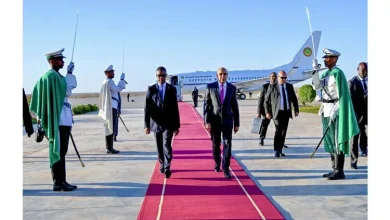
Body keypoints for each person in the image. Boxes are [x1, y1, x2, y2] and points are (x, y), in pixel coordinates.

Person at [29, 48, 77, 191]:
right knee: (58, 150)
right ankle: (58, 182)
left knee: (61, 152)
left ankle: (62, 181)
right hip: (59, 120)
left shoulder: (54, 76)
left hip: (63, 119)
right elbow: (68, 91)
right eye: (60, 59)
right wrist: (69, 74)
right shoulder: (51, 77)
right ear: (51, 61)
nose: (62, 61)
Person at [313, 48, 359, 180]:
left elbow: (343, 96)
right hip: (326, 109)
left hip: (335, 110)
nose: (325, 60)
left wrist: (336, 110)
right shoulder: (326, 74)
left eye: (327, 58)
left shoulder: (338, 73)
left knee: (337, 140)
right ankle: (334, 168)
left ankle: (340, 170)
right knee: (330, 140)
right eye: (324, 58)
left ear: (334, 59)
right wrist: (315, 71)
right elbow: (317, 86)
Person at [144, 66, 180, 178]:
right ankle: (162, 163)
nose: (161, 77)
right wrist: (146, 125)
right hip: (156, 123)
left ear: (166, 76)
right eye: (159, 75)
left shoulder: (172, 89)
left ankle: (167, 167)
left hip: (168, 123)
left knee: (167, 145)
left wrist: (176, 125)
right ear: (156, 76)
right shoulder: (151, 89)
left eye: (163, 75)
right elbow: (147, 108)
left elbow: (175, 108)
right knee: (159, 147)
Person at [204, 67, 240, 179]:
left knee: (227, 145)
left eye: (225, 74)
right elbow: (207, 106)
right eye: (220, 74)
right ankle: (217, 163)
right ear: (217, 75)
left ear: (227, 75)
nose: (222, 76)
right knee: (215, 145)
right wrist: (207, 121)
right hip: (214, 122)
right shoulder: (210, 87)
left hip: (228, 122)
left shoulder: (232, 88)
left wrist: (237, 123)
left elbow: (235, 106)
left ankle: (226, 169)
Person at [264, 70, 299, 157]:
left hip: (286, 112)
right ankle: (276, 149)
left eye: (285, 78)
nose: (284, 79)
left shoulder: (289, 86)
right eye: (282, 78)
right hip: (277, 113)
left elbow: (294, 98)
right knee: (278, 131)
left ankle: (280, 149)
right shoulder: (273, 87)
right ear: (278, 77)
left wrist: (296, 109)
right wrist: (267, 112)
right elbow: (266, 101)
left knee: (284, 131)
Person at [98, 65, 126, 154]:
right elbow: (117, 89)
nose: (114, 73)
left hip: (109, 107)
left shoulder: (105, 82)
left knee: (109, 127)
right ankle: (109, 148)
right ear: (107, 73)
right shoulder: (109, 82)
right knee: (110, 127)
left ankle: (109, 147)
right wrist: (122, 80)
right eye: (112, 72)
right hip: (111, 107)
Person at [349, 62, 368, 168]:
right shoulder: (352, 82)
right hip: (357, 115)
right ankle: (353, 161)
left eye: (366, 71)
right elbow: (349, 101)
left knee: (364, 134)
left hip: (368, 113)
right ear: (358, 70)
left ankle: (364, 149)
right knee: (355, 138)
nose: (365, 73)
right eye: (363, 71)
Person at [257, 72, 277, 146]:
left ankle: (280, 142)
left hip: (276, 111)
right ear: (269, 77)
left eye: (275, 76)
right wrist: (258, 112)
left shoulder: (279, 87)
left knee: (279, 128)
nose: (274, 77)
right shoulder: (265, 87)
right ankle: (261, 139)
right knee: (264, 126)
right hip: (266, 111)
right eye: (272, 76)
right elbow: (261, 100)